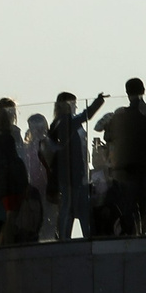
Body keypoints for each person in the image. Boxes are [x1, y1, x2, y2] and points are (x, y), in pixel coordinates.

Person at [44, 89, 104, 242]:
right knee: (69, 208)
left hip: (77, 174)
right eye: (72, 103)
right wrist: (98, 101)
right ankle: (66, 238)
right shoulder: (65, 122)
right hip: (70, 175)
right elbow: (86, 115)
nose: (74, 106)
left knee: (79, 209)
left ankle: (79, 237)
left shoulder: (63, 123)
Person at [106, 80, 146, 236]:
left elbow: (109, 138)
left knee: (129, 209)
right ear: (143, 90)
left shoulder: (121, 117)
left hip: (127, 172)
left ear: (127, 92)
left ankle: (132, 237)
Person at [0, 97, 35, 245]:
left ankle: (5, 245)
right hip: (15, 175)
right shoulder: (13, 132)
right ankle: (6, 246)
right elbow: (20, 154)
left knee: (9, 214)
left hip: (2, 176)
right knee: (12, 215)